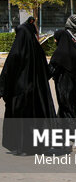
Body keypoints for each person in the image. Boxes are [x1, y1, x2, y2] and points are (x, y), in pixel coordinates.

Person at [0, 19, 56, 156]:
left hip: (19, 93)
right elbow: (47, 72)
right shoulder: (38, 51)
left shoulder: (16, 52)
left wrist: (3, 90)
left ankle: (22, 147)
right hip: (36, 93)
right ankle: (36, 146)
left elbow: (7, 72)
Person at [49, 28, 76, 151]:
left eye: (55, 38)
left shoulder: (59, 54)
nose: (54, 40)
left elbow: (51, 70)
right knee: (66, 111)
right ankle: (59, 140)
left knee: (67, 111)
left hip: (64, 87)